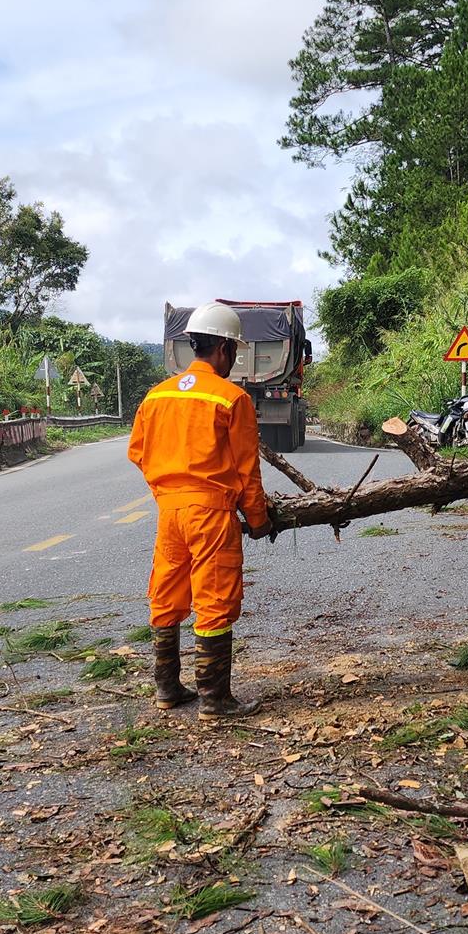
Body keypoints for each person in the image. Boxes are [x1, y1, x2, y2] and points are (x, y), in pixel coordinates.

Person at [127, 301, 276, 719]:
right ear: (226, 349)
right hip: (210, 513)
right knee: (214, 598)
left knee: (167, 593)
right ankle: (214, 698)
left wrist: (169, 489)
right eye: (235, 352)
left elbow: (137, 452)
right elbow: (247, 469)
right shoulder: (231, 398)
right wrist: (259, 520)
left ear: (194, 345)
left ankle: (168, 688)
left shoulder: (157, 395)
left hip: (169, 512)